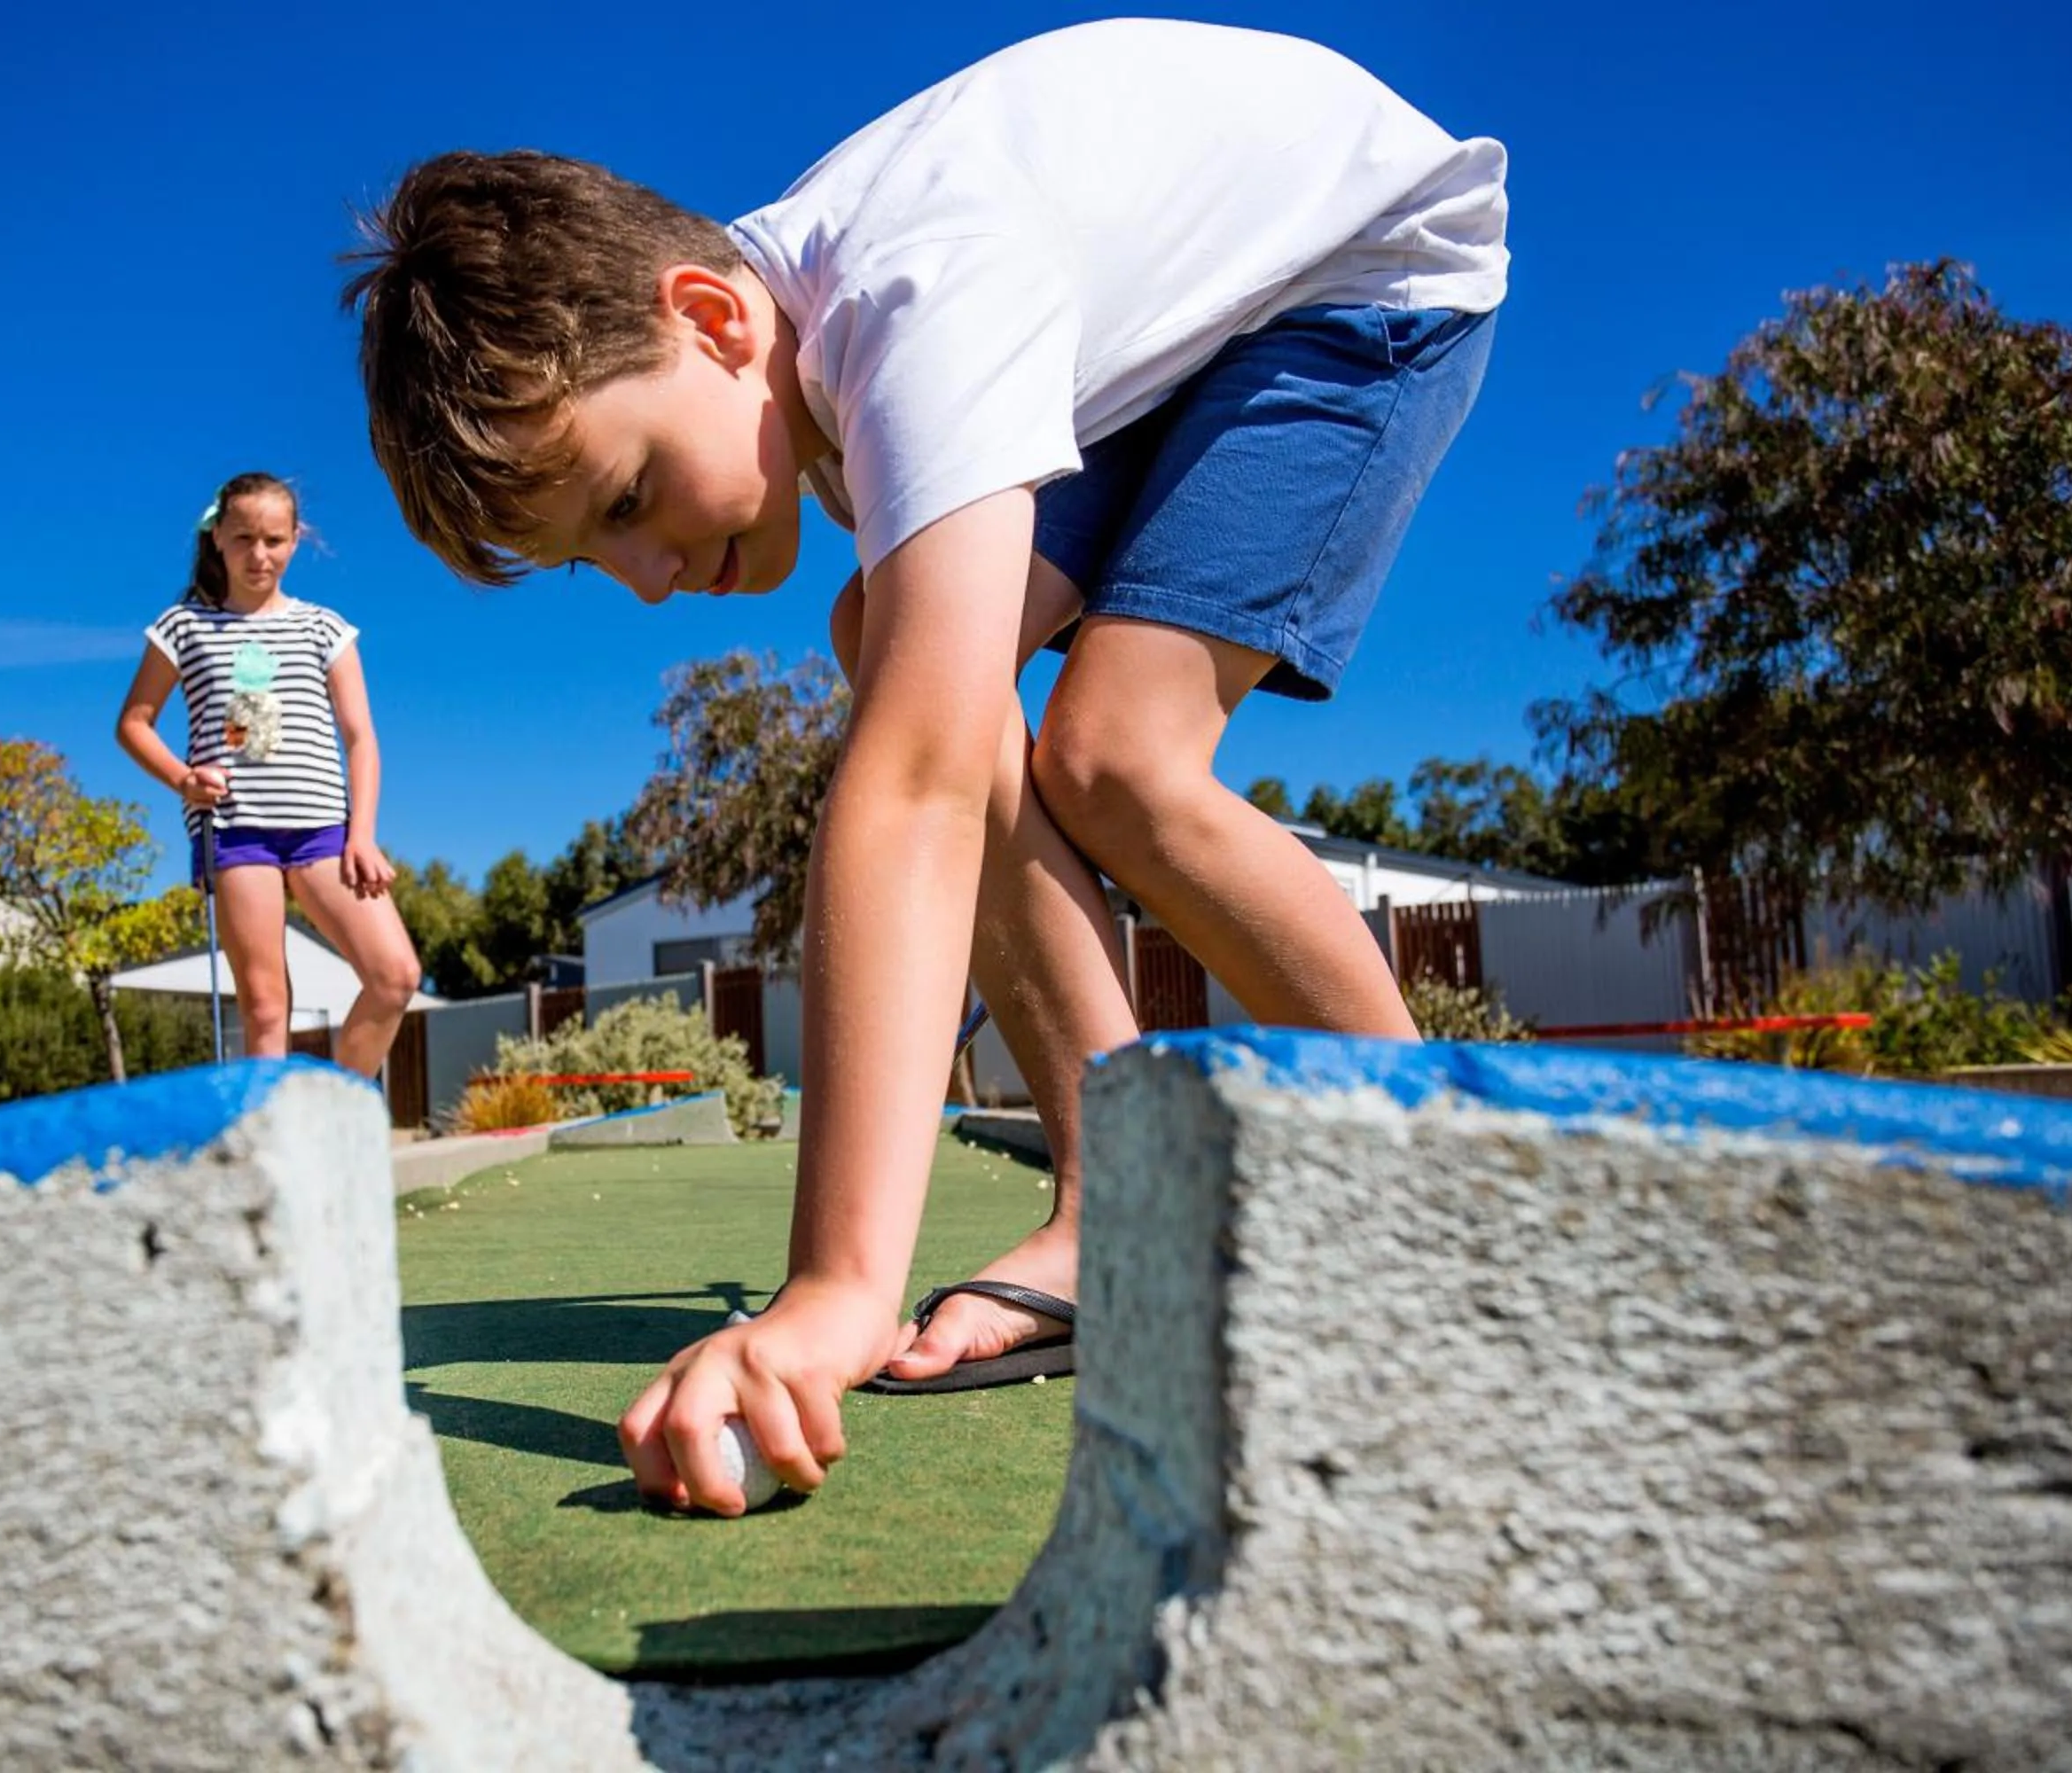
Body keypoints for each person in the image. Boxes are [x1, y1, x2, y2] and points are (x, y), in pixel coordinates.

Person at [344, 19, 1506, 1512]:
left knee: (1119, 754)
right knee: (880, 628)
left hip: (1368, 272)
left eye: (628, 496)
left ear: (711, 317)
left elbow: (920, 781)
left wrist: (834, 1286)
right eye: (594, 559)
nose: (643, 576)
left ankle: (1460, 1192)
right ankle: (1112, 1212)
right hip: (1178, 335)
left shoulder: (917, 295)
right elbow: (927, 721)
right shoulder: (805, 343)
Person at [115, 472, 422, 1077]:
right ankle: (272, 1157)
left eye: (275, 540)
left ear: (296, 539)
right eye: (244, 539)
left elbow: (360, 738)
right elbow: (133, 724)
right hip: (237, 831)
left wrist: (362, 834)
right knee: (264, 1007)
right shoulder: (183, 627)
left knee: (395, 975)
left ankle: (332, 1117)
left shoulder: (325, 629)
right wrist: (182, 779)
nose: (260, 555)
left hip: (325, 834)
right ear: (217, 540)